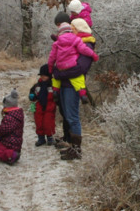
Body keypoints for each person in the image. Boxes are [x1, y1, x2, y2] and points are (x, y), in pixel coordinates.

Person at [48, 18, 98, 162]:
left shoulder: (85, 43)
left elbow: (79, 69)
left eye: (74, 28)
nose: (73, 31)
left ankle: (76, 150)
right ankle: (73, 147)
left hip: (70, 86)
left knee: (72, 117)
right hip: (65, 84)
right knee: (69, 116)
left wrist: (57, 72)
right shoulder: (75, 41)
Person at [0, 89, 24, 164]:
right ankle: (12, 153)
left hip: (10, 143)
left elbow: (4, 129)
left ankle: (12, 155)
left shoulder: (10, 117)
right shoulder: (17, 114)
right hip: (15, 142)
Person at [28, 64, 57, 146]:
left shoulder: (53, 85)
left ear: (49, 76)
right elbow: (32, 92)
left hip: (49, 107)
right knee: (39, 122)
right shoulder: (37, 85)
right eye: (41, 75)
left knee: (48, 123)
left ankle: (50, 138)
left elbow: (57, 96)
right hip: (39, 107)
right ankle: (41, 138)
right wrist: (32, 96)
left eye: (45, 76)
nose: (43, 77)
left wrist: (56, 99)